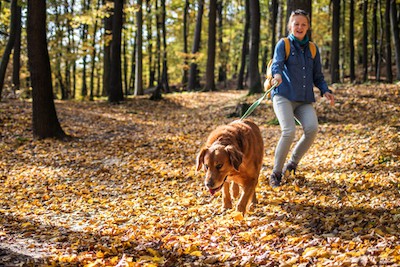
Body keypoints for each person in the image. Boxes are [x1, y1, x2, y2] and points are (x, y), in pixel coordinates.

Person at [269, 9, 335, 188]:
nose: (299, 27)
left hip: (304, 99)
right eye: (296, 24)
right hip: (283, 95)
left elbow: (318, 75)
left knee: (312, 129)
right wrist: (277, 75)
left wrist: (325, 90)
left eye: (303, 24)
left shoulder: (313, 49)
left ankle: (292, 165)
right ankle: (275, 173)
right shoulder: (283, 44)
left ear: (308, 27)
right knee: (288, 131)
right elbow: (277, 63)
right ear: (290, 26)